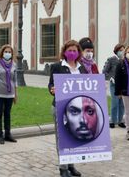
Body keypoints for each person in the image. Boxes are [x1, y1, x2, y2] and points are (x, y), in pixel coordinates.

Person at [48, 40, 85, 177]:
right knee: (62, 138)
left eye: (75, 50)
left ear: (78, 52)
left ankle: (71, 165)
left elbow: (87, 85)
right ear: (64, 52)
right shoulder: (57, 66)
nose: (72, 53)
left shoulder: (82, 68)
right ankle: (63, 168)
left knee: (73, 137)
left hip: (77, 109)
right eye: (69, 50)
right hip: (61, 107)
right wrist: (52, 89)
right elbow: (51, 84)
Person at [103, 43, 126, 129]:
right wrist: (110, 78)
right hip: (114, 84)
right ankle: (112, 120)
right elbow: (105, 71)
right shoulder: (111, 60)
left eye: (123, 50)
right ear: (116, 51)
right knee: (115, 102)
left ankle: (120, 121)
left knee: (122, 103)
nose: (122, 52)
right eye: (120, 50)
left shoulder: (125, 60)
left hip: (123, 84)